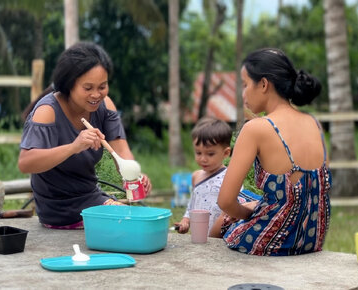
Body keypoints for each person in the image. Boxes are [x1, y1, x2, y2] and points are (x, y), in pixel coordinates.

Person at [18, 42, 152, 229]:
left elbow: (122, 151)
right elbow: (26, 163)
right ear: (69, 85)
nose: (96, 94)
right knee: (129, 224)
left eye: (102, 86)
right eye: (88, 88)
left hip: (90, 197)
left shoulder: (105, 106)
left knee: (137, 223)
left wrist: (133, 176)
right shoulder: (47, 111)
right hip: (56, 208)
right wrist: (74, 146)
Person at [212, 48, 332, 256]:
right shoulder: (315, 123)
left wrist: (247, 213)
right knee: (246, 196)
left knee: (224, 217)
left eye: (246, 84)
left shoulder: (257, 128)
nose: (243, 93)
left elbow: (225, 201)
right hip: (311, 238)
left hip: (275, 241)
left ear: (264, 84)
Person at [174, 117, 260, 237]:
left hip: (220, 237)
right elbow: (193, 203)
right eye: (198, 153)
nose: (203, 158)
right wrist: (186, 220)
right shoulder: (196, 176)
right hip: (199, 236)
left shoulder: (230, 178)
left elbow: (234, 209)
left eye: (210, 154)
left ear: (225, 153)